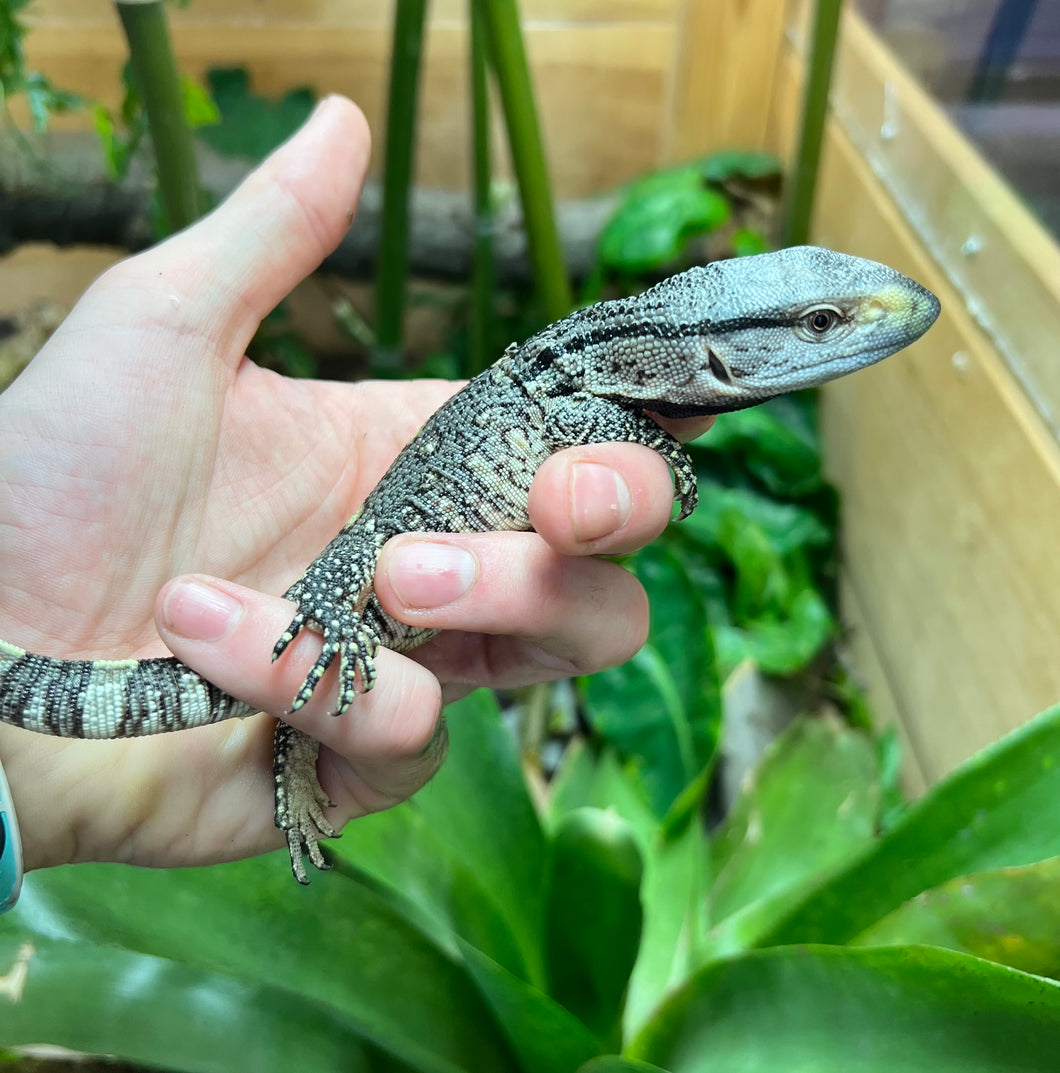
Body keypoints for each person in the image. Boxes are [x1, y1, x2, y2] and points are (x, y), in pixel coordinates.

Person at [0, 96, 712, 882]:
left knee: (328, 665)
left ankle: (294, 743)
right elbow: (581, 415)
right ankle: (302, 718)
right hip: (351, 591)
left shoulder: (611, 371)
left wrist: (33, 799)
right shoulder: (591, 384)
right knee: (331, 637)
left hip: (351, 613)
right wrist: (649, 440)